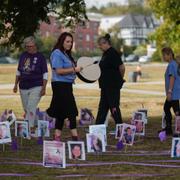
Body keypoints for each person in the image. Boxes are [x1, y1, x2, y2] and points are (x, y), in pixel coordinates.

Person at [46, 32, 82, 141]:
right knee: (71, 111)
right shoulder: (57, 53)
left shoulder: (66, 54)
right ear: (61, 41)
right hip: (60, 86)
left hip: (66, 85)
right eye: (67, 41)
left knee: (61, 112)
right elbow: (59, 71)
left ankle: (57, 137)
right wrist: (74, 69)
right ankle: (75, 138)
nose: (70, 44)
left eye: (71, 42)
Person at [13, 36, 48, 131]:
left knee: (31, 107)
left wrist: (44, 88)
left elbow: (45, 73)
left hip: (37, 85)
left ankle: (29, 128)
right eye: (27, 46)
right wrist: (15, 84)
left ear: (35, 46)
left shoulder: (41, 57)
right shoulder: (23, 56)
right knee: (26, 108)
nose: (29, 48)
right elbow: (18, 71)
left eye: (31, 46)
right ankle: (36, 123)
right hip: (23, 86)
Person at [95, 34, 125, 126]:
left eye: (100, 45)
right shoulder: (105, 54)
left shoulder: (112, 53)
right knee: (102, 108)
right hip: (105, 86)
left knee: (114, 107)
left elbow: (122, 67)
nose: (99, 47)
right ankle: (97, 128)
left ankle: (120, 128)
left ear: (105, 43)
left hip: (112, 86)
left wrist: (120, 79)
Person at [160, 48, 180, 135]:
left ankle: (170, 129)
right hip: (174, 92)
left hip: (173, 93)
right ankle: (169, 129)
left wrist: (169, 92)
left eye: (164, 55)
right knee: (173, 110)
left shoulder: (172, 65)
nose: (163, 57)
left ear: (170, 55)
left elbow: (172, 78)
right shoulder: (174, 64)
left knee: (174, 110)